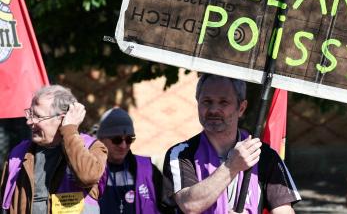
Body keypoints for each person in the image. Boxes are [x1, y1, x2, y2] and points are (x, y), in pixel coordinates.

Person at [161, 74, 300, 213]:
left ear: (241, 108)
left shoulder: (263, 155)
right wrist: (231, 166)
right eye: (207, 101)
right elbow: (189, 205)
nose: (214, 110)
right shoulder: (181, 154)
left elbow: (284, 210)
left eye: (223, 102)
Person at [0, 85, 107, 213]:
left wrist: (69, 130)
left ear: (62, 119)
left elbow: (87, 177)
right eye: (30, 113)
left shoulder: (92, 147)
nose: (29, 121)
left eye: (38, 116)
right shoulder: (19, 153)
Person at [97, 107, 166, 213]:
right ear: (101, 139)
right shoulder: (88, 170)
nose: (123, 146)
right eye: (117, 140)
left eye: (129, 139)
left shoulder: (148, 170)